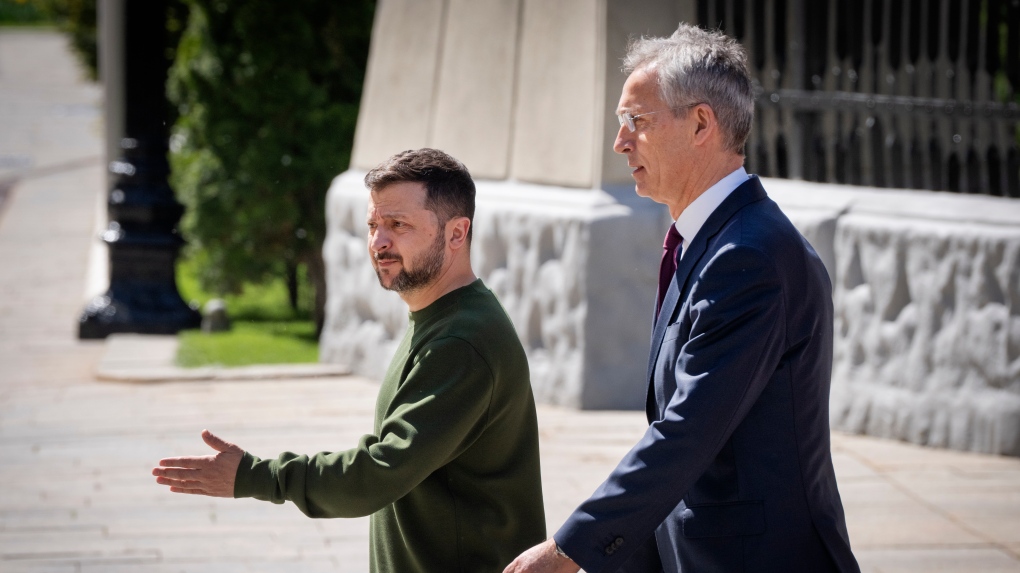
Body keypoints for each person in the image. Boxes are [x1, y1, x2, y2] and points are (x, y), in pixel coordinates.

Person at [505, 24, 860, 573]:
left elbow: (686, 433)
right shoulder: (716, 242)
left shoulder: (749, 258)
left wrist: (568, 551)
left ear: (701, 124)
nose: (620, 142)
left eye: (636, 122)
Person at [153, 148, 546, 573]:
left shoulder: (460, 340)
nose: (379, 242)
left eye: (398, 225)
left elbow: (380, 471)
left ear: (456, 233)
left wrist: (256, 476)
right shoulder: (443, 318)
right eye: (374, 225)